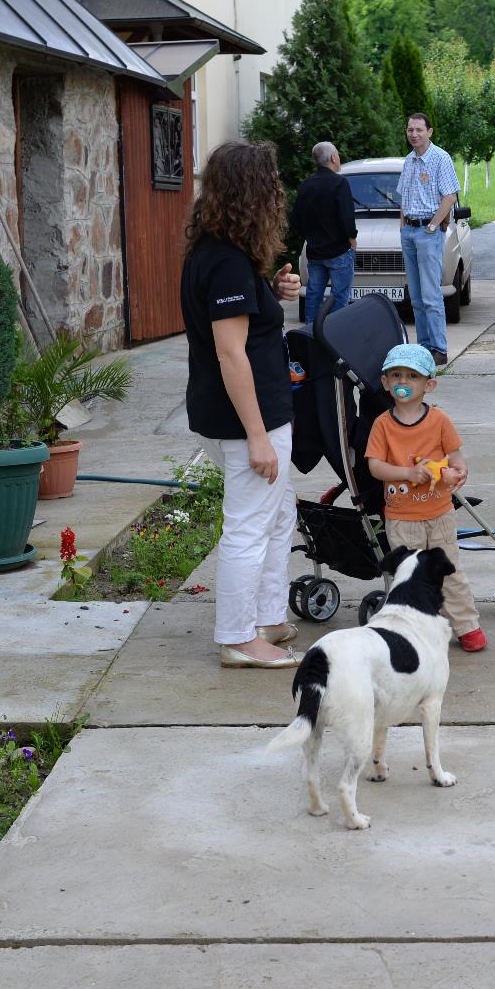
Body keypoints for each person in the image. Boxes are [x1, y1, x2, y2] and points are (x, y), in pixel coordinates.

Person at [179, 141, 305, 669]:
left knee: (279, 516)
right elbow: (231, 355)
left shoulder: (220, 253)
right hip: (247, 419)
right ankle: (237, 637)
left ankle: (268, 618)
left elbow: (239, 328)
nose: (278, 191)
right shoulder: (227, 263)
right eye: (271, 182)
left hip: (235, 413)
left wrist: (270, 294)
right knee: (249, 526)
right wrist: (256, 435)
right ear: (252, 193)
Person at [364, 343, 488, 652]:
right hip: (402, 518)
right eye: (396, 375)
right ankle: (412, 631)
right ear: (385, 382)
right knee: (408, 576)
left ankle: (466, 625)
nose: (403, 383)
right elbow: (375, 466)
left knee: (450, 571)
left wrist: (455, 474)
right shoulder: (382, 424)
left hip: (439, 513)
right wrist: (407, 474)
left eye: (412, 377)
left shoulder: (439, 421)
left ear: (428, 385)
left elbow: (457, 461)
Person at [397, 113, 459, 366]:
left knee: (431, 295)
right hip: (409, 232)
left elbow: (450, 196)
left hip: (427, 233)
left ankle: (439, 348)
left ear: (429, 132)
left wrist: (433, 226)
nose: (414, 134)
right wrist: (402, 227)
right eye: (410, 130)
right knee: (416, 295)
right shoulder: (409, 161)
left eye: (419, 130)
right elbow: (403, 198)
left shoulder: (440, 158)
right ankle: (424, 347)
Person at [289, 141, 357, 328]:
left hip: (315, 252)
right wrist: (352, 238)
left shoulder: (306, 185)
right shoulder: (339, 183)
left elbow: (295, 219)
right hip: (339, 252)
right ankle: (335, 333)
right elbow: (347, 217)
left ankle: (311, 333)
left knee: (313, 294)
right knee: (340, 296)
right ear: (333, 158)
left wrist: (311, 236)